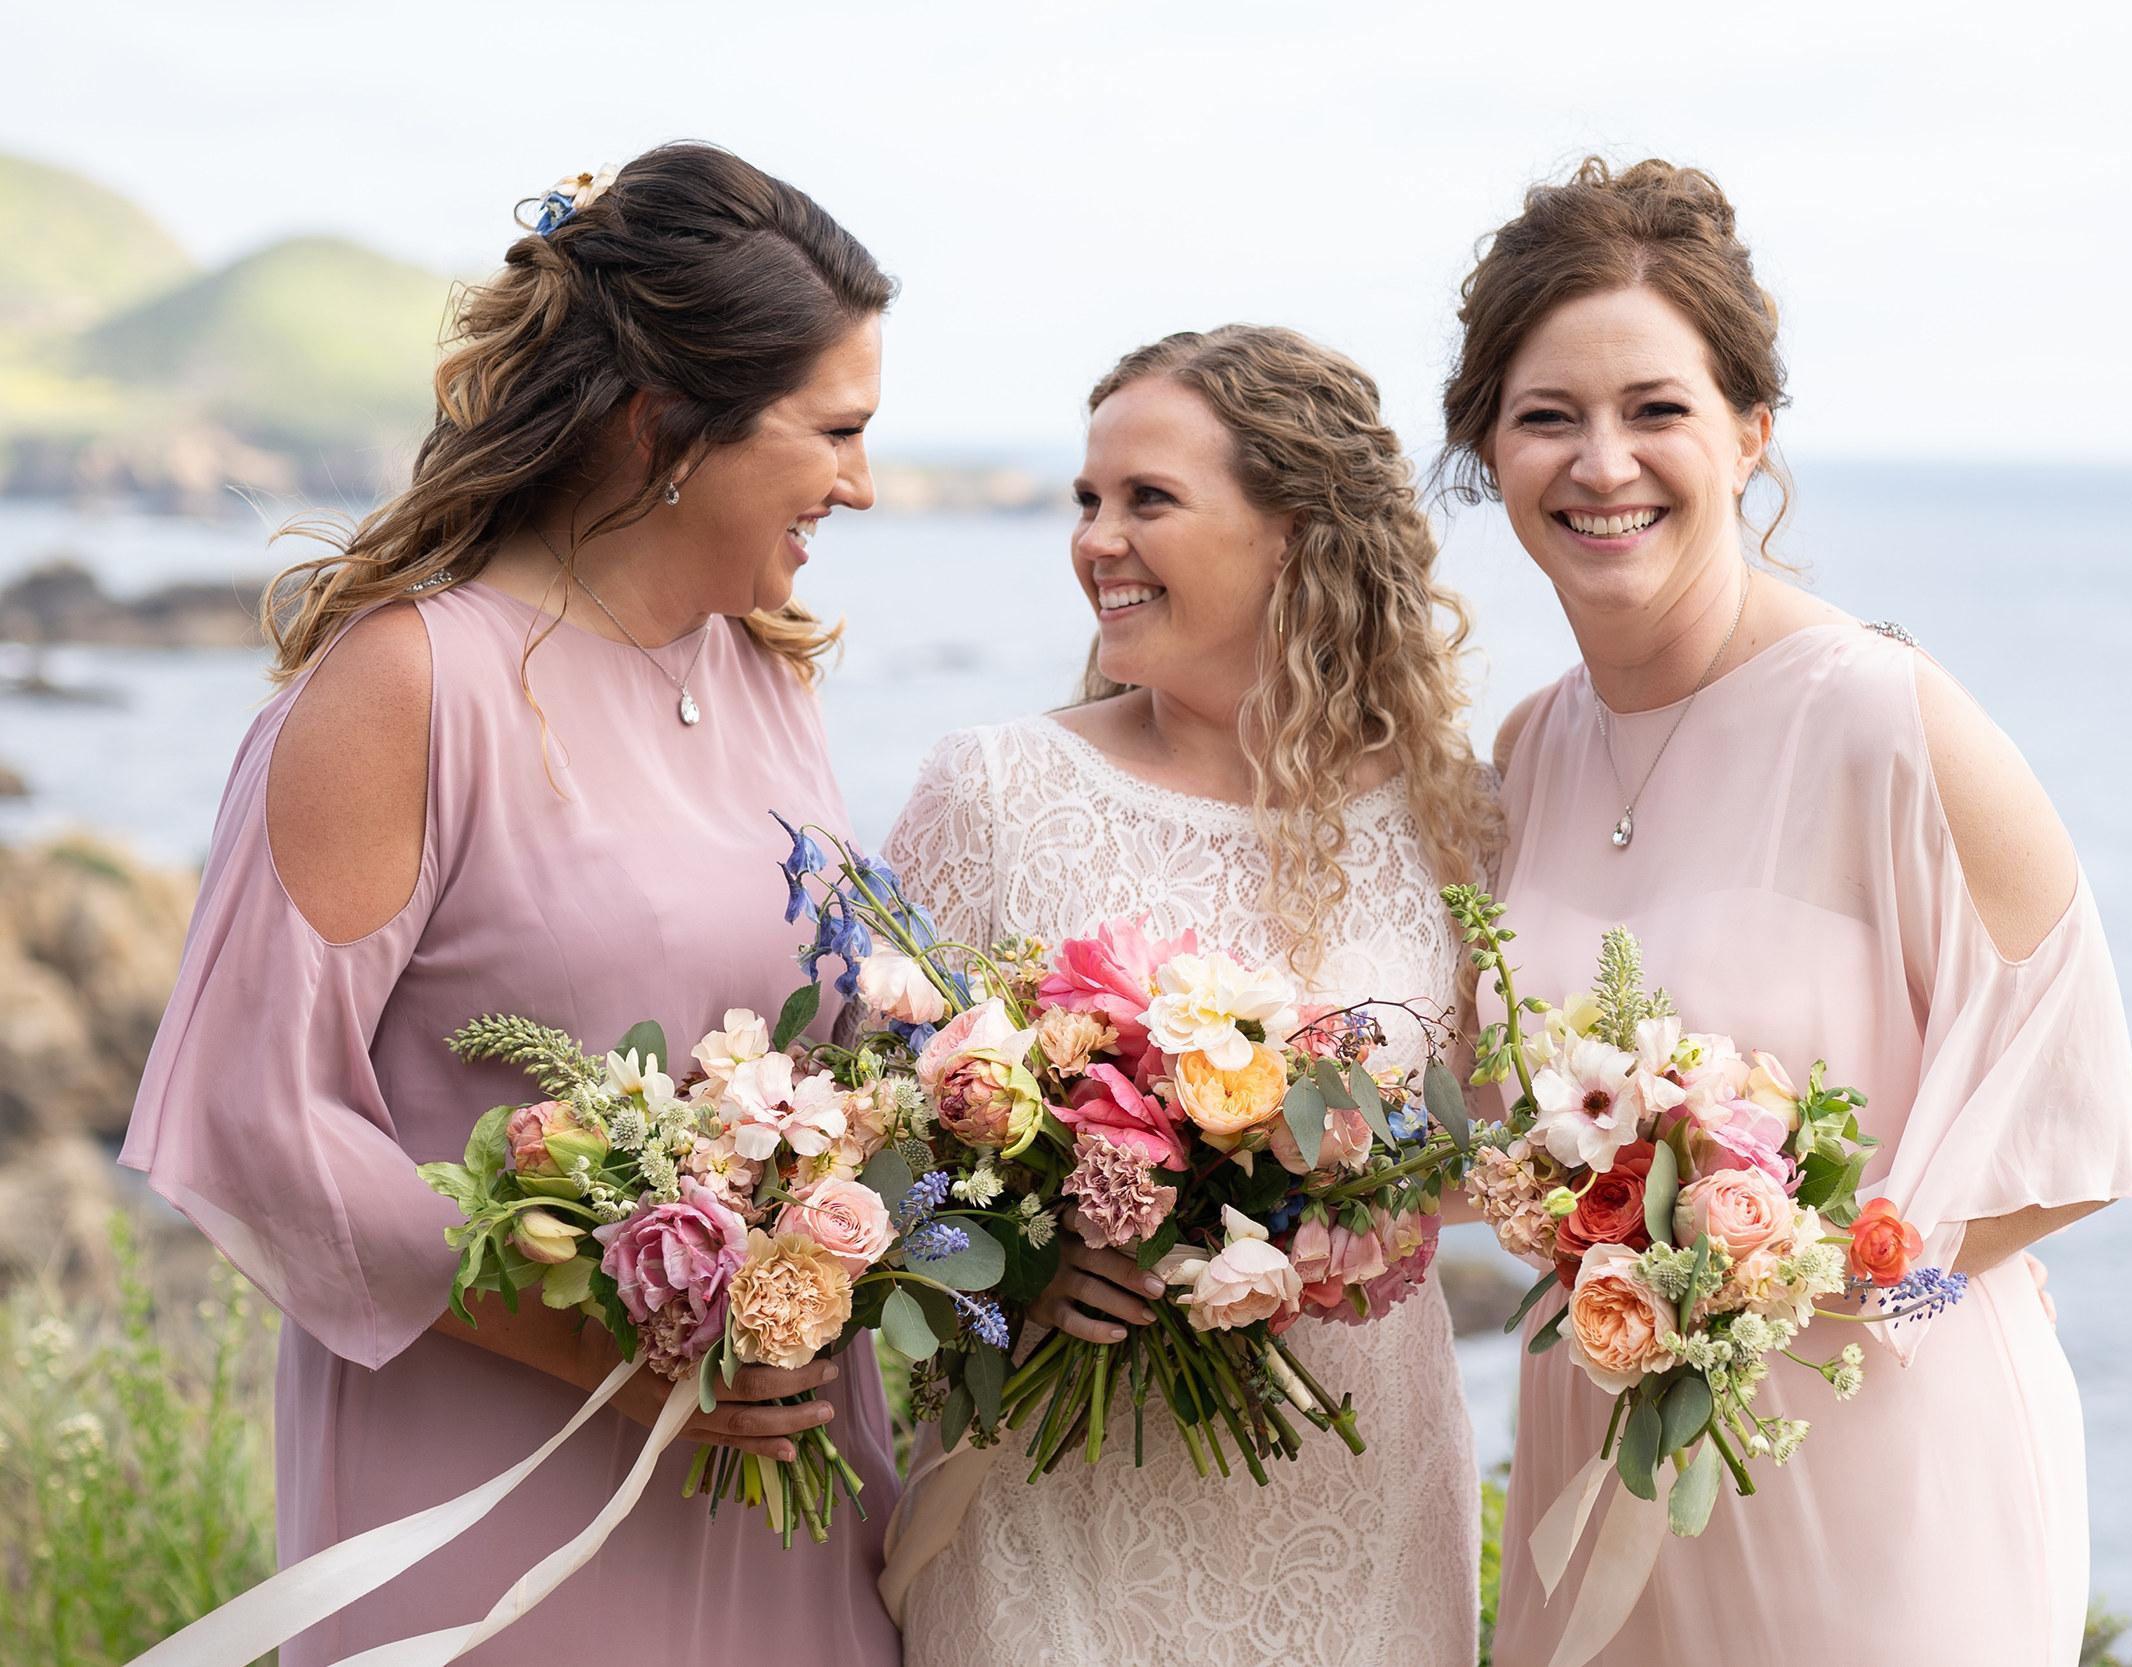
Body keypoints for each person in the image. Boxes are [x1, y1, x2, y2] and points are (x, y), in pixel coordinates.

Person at [120, 143, 904, 1664]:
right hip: (496, 1484)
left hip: (781, 1482)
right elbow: (249, 1117)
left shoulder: (767, 676)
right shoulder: (410, 681)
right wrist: (624, 1355)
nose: (862, 485)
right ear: (663, 426)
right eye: (837, 432)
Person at [1454, 159, 2132, 1667]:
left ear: (1749, 431)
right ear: (1488, 448)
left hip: (1878, 1471)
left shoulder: (1890, 721)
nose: (1601, 462)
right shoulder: (1530, 749)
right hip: (1605, 1435)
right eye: (1547, 416)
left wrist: (1804, 1285)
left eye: (1656, 408)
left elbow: (2077, 1134)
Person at [877, 326, 1497, 1665]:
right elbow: (864, 1138)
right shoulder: (995, 792)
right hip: (1056, 1491)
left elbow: (1492, 1144)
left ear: (1298, 534)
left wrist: (1331, 1218)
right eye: (1087, 500)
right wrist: (1025, 1261)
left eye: (1147, 499)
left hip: (1361, 1486)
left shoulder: (1457, 818)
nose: (1096, 540)